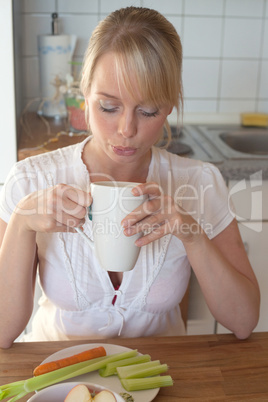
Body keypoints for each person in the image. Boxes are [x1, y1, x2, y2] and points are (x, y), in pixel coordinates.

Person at [0, 6, 260, 348]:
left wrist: (193, 235)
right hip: (61, 377)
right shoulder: (30, 180)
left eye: (148, 110)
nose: (126, 130)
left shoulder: (200, 183)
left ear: (169, 106)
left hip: (160, 376)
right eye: (108, 107)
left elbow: (243, 323)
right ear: (85, 94)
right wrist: (21, 224)